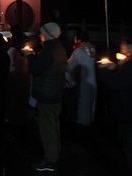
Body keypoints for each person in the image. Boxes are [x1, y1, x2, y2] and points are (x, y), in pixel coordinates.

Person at [97, 30, 132, 176]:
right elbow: (128, 77)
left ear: (131, 45)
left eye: (123, 43)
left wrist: (103, 71)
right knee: (131, 144)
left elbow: (117, 83)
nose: (121, 45)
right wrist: (115, 67)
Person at [24, 22, 67, 172]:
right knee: (53, 126)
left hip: (47, 93)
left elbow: (36, 69)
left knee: (47, 128)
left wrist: (30, 57)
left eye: (42, 33)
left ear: (48, 34)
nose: (40, 35)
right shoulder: (59, 48)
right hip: (55, 91)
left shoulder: (48, 50)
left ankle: (50, 160)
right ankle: (54, 155)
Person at [64, 29, 97, 131]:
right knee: (90, 103)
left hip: (82, 81)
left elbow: (70, 66)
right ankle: (89, 124)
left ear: (77, 39)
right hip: (92, 81)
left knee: (81, 104)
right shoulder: (91, 49)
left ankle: (80, 128)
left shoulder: (78, 51)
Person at [5, 24, 31, 129]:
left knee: (16, 101)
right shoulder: (17, 52)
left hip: (17, 80)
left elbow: (9, 65)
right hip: (20, 80)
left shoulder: (12, 51)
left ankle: (15, 121)